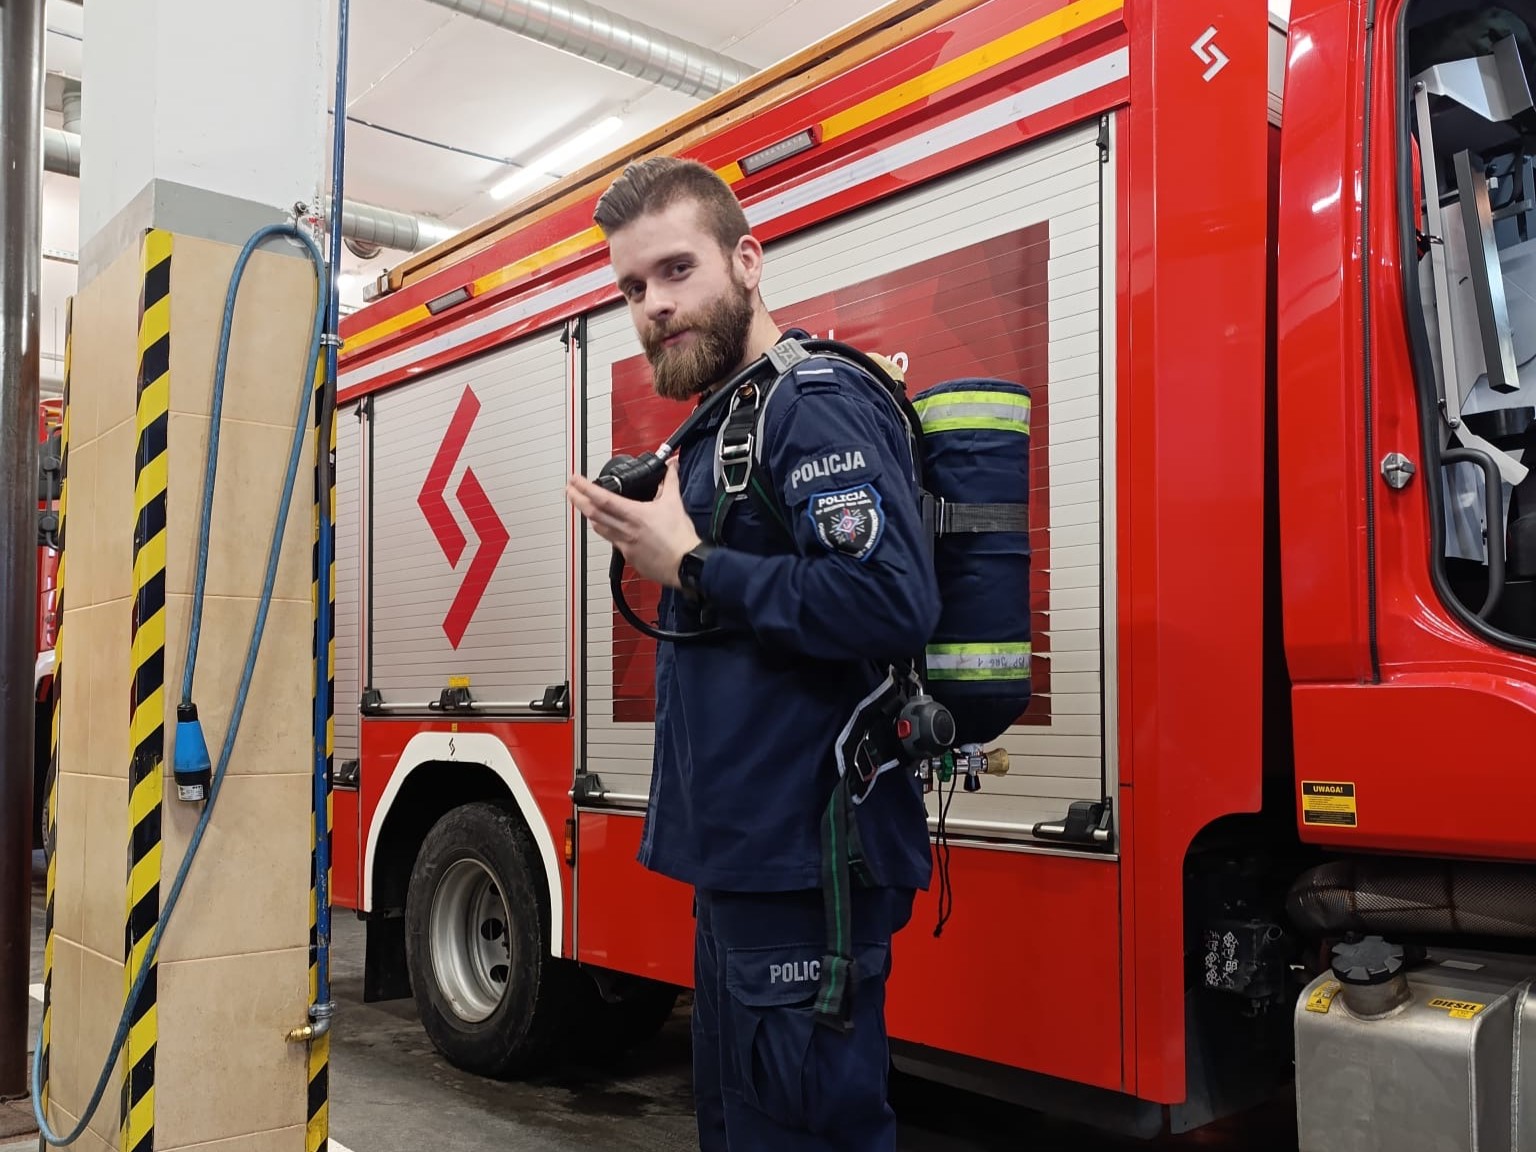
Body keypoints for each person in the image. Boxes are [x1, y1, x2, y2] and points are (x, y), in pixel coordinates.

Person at [565, 155, 938, 1152]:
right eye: (632, 288)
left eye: (676, 270)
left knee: (800, 1133)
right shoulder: (724, 421)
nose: (653, 305)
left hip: (805, 867)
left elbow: (891, 601)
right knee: (742, 1128)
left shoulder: (811, 403)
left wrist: (691, 565)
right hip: (749, 867)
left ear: (747, 261)